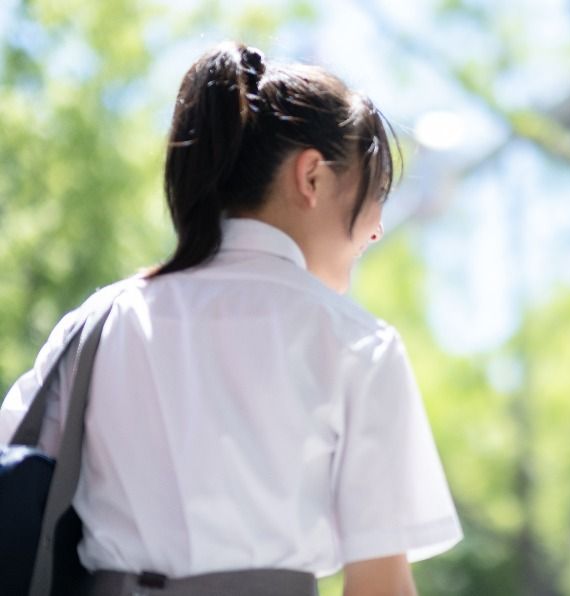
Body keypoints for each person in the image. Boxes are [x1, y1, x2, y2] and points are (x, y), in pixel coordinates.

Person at [0, 42, 461, 595]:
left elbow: (15, 482)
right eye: (375, 190)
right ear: (311, 177)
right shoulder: (357, 345)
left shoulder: (99, 325)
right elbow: (379, 587)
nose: (377, 226)